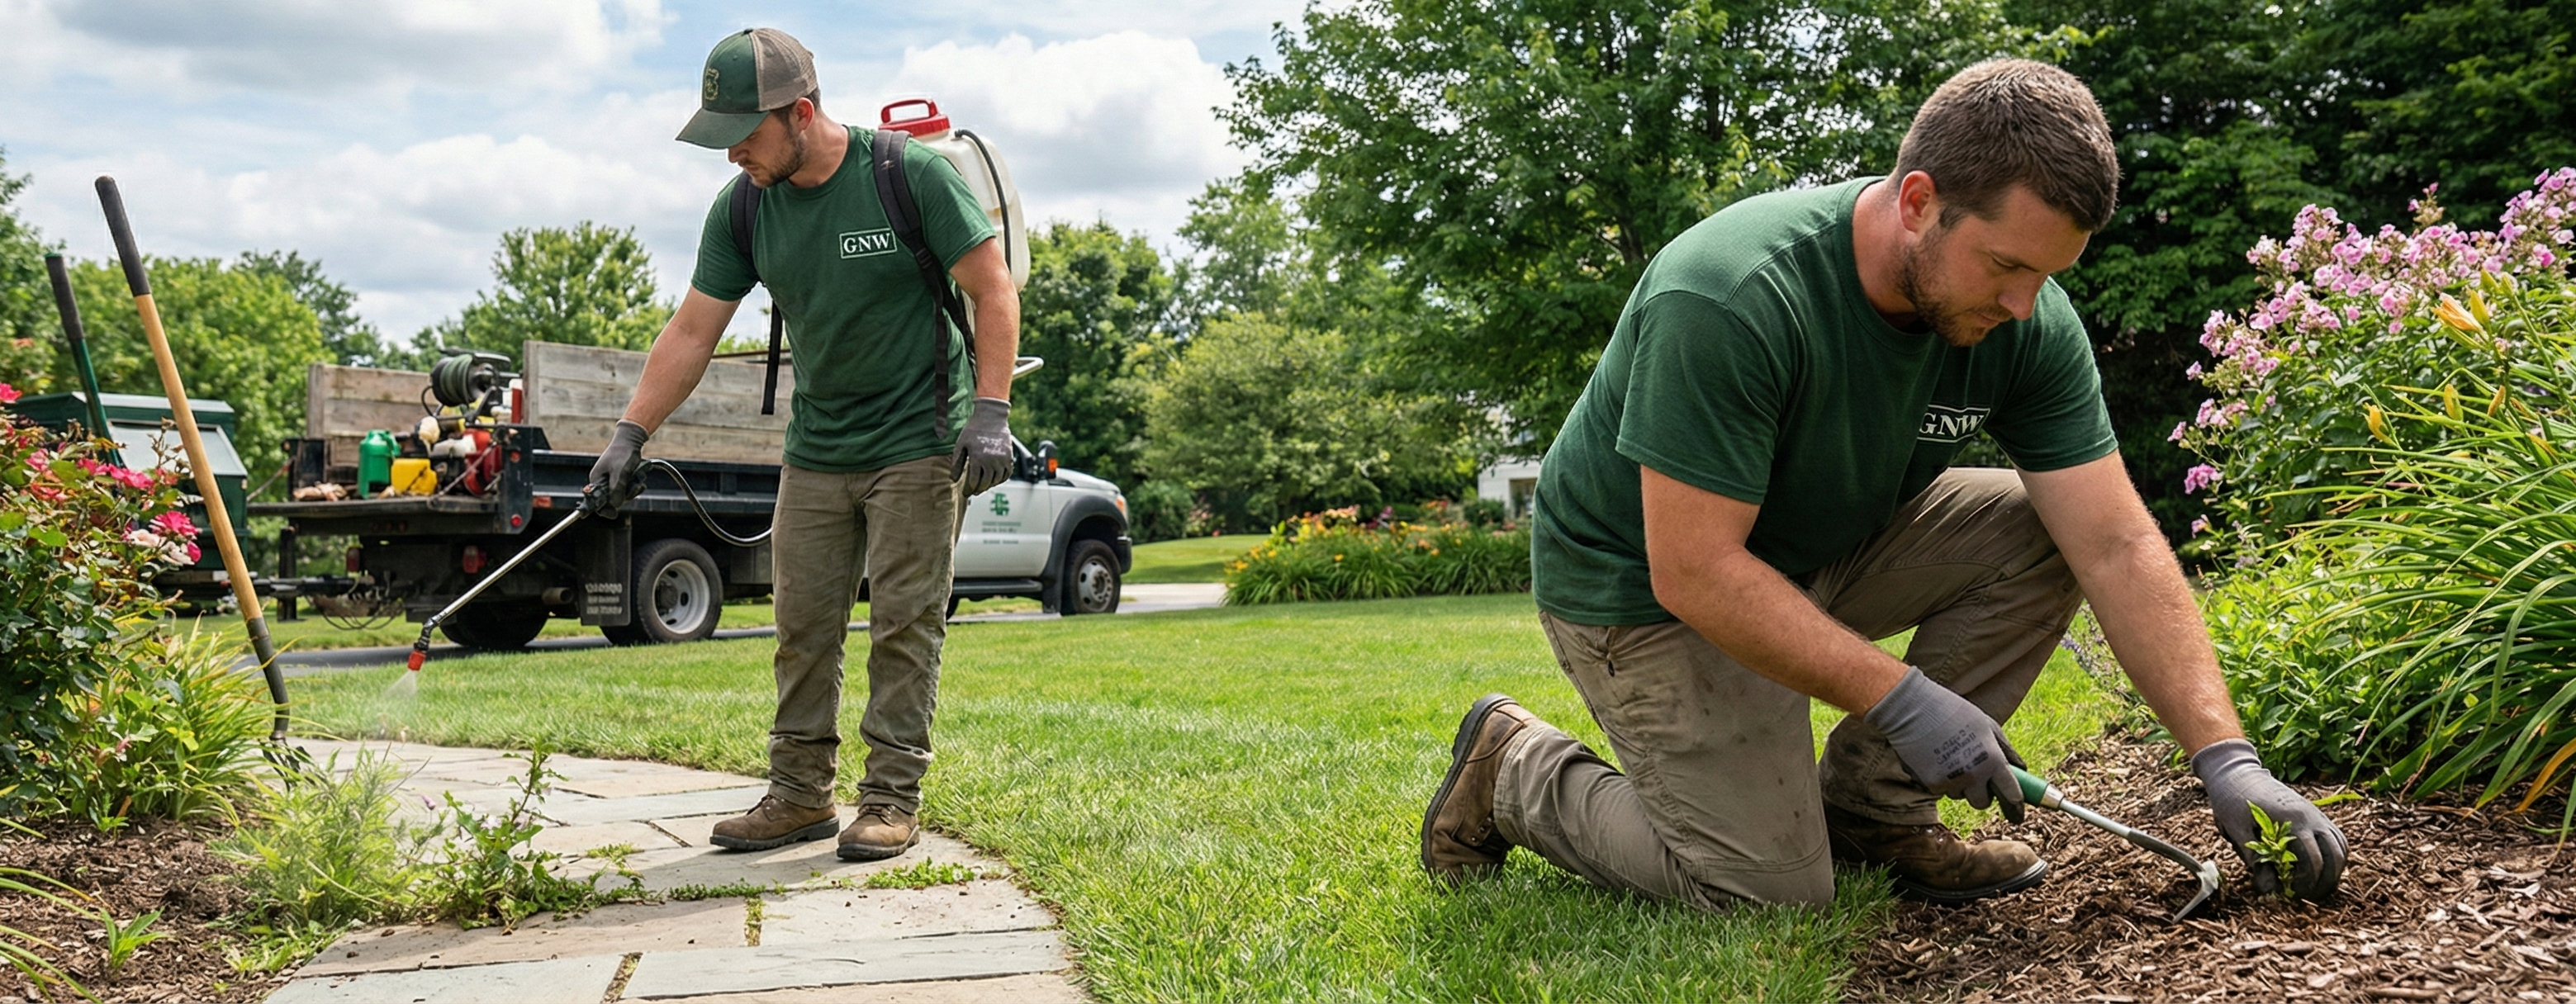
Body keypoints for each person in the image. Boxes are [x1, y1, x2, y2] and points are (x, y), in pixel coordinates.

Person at [1418, 59, 2347, 909]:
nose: (2026, 305)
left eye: (2049, 274)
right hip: (1640, 590)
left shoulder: (2023, 318)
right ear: (1915, 202)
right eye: (2007, 266)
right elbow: (1693, 570)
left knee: (2045, 529)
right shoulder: (1731, 295)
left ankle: (1874, 809)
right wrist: (1901, 695)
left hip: (1813, 548)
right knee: (1765, 893)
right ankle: (1514, 770)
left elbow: (2112, 539)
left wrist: (2225, 757)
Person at [585, 27, 1020, 862]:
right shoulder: (745, 206)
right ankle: (798, 794)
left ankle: (890, 797)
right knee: (801, 624)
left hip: (920, 436)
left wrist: (990, 410)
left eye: (743, 137)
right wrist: (628, 434)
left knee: (903, 621)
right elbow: (692, 330)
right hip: (819, 443)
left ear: (800, 114)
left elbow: (991, 287)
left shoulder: (907, 175)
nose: (731, 157)